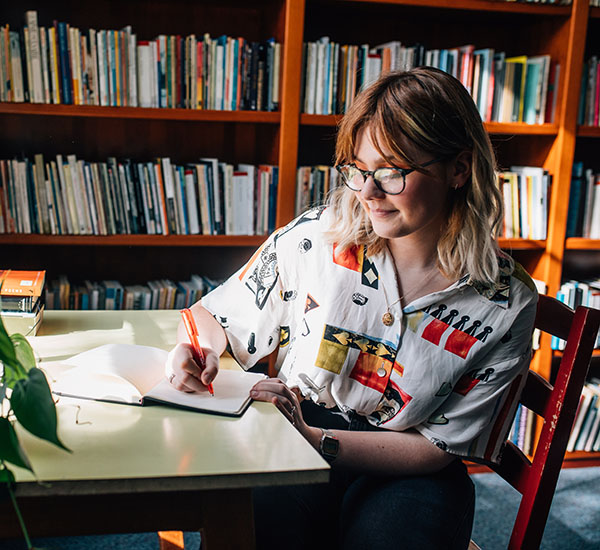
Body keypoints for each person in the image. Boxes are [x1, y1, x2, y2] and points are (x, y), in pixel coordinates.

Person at [166, 67, 538, 550]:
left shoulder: (506, 301)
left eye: (391, 172)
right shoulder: (317, 238)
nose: (366, 192)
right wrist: (195, 351)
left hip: (409, 468)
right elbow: (221, 317)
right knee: (251, 521)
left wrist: (314, 439)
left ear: (459, 168)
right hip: (296, 436)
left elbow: (434, 451)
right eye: (358, 170)